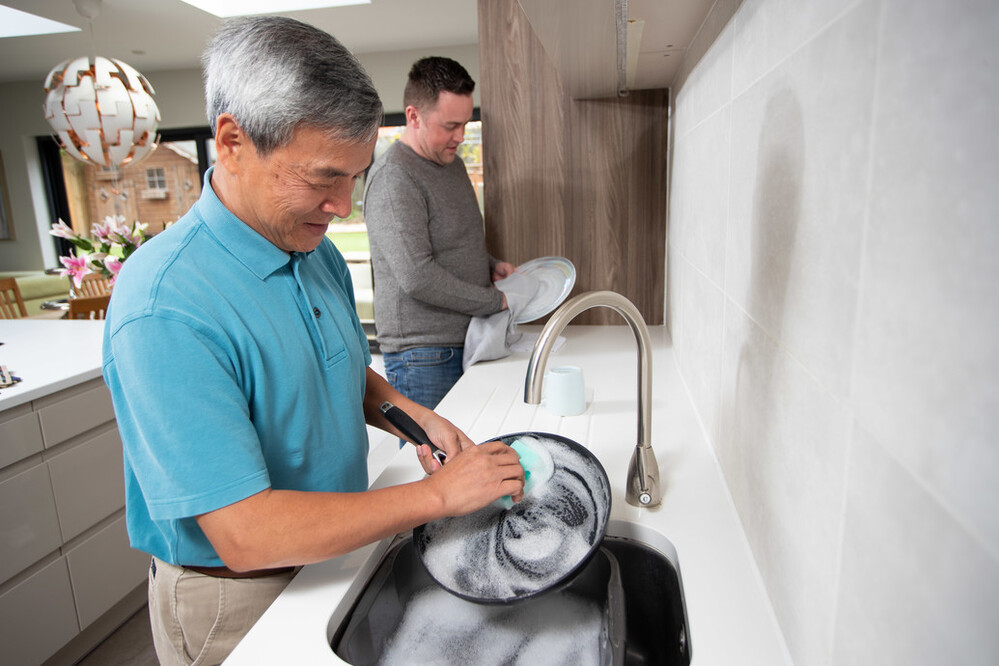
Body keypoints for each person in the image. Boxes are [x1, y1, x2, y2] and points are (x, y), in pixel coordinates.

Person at [102, 17, 524, 666]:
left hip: (332, 547)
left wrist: (418, 419)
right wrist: (438, 497)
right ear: (232, 142)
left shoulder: (311, 251)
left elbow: (339, 372)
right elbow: (245, 533)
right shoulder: (164, 304)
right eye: (324, 178)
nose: (343, 207)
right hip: (236, 590)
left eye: (352, 178)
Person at [364, 56, 516, 409]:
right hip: (424, 356)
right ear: (414, 115)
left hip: (467, 339)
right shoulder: (394, 177)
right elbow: (417, 276)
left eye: (464, 124)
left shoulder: (453, 165)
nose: (460, 137)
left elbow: (450, 240)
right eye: (450, 126)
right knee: (435, 463)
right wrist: (495, 301)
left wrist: (489, 265)